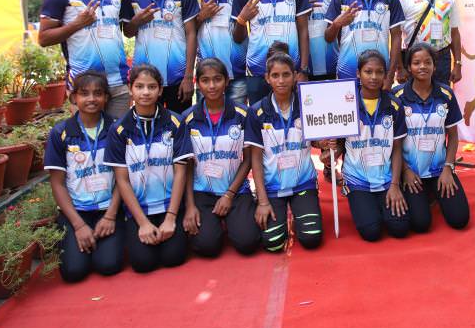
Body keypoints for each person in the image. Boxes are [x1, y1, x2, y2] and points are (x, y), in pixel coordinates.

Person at [104, 64, 193, 273]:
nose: (145, 92)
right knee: (143, 263)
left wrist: (171, 218)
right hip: (139, 209)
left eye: (152, 87)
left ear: (160, 90)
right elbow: (122, 180)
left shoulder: (176, 122)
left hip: (169, 205)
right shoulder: (118, 129)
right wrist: (142, 223)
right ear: (130, 89)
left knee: (173, 258)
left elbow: (181, 172)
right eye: (139, 87)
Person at [38, 0, 131, 119]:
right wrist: (77, 24)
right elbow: (44, 38)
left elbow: (128, 30)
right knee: (88, 135)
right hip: (84, 85)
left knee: (118, 135)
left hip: (118, 83)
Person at [45, 71, 124, 282]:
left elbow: (123, 179)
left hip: (109, 209)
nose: (91, 99)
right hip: (76, 212)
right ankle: (78, 239)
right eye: (84, 93)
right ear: (74, 97)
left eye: (98, 93)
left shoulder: (116, 128)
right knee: (73, 272)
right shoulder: (60, 133)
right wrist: (79, 226)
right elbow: (58, 184)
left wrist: (110, 216)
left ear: (106, 97)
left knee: (108, 265)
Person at [244, 49, 323, 252]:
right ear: (267, 78)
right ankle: (281, 211)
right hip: (272, 187)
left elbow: (317, 142)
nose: (281, 81)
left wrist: (325, 143)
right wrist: (262, 201)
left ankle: (299, 213)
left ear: (295, 76)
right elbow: (255, 159)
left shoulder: (307, 105)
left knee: (311, 239)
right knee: (273, 243)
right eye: (275, 75)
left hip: (303, 183)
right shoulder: (256, 112)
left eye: (286, 74)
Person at [182, 58, 260, 257]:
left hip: (235, 189)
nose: (212, 86)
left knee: (248, 243)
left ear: (226, 81)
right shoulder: (187, 118)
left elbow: (248, 159)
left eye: (217, 79)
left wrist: (229, 195)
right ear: (197, 83)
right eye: (205, 80)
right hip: (202, 191)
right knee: (208, 246)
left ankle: (235, 216)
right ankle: (215, 223)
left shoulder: (244, 114)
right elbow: (186, 165)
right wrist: (189, 206)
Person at [333, 50, 409, 241]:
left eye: (379, 72)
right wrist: (331, 153)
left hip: (385, 178)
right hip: (357, 179)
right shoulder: (346, 104)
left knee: (400, 228)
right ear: (358, 73)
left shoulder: (394, 106)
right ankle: (363, 202)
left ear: (385, 74)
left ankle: (381, 203)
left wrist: (395, 185)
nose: (374, 77)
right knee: (371, 232)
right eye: (368, 71)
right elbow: (341, 144)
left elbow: (397, 148)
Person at [394, 43, 469, 232]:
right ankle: (424, 194)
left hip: (439, 170)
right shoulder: (398, 96)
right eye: (416, 63)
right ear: (409, 67)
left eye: (428, 62)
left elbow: (453, 137)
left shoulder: (446, 94)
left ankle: (432, 192)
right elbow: (393, 143)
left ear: (435, 66)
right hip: (411, 172)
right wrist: (405, 170)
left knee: (460, 219)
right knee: (421, 224)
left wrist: (448, 168)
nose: (422, 67)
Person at [122, 0, 198, 114]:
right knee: (147, 125)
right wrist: (137, 21)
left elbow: (191, 33)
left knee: (179, 124)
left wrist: (188, 77)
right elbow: (128, 32)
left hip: (177, 77)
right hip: (145, 80)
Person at [396, 0, 462, 85]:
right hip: (414, 58)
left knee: (441, 96)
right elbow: (395, 35)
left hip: (441, 58)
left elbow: (454, 33)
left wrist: (458, 64)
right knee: (413, 97)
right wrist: (400, 68)